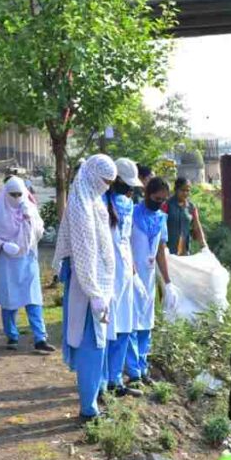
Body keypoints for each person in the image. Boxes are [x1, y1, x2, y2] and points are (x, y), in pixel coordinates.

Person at [54, 155, 118, 423]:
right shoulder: (81, 205)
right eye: (105, 181)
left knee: (98, 341)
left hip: (98, 284)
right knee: (91, 343)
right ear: (93, 176)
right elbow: (84, 252)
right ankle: (88, 409)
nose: (107, 186)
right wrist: (94, 292)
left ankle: (96, 394)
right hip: (87, 286)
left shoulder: (93, 200)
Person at [0, 176, 55, 353]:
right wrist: (2, 245)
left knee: (33, 300)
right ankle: (12, 335)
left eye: (20, 194)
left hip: (28, 259)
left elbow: (40, 232)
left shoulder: (30, 207)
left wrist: (29, 218)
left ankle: (40, 338)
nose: (17, 197)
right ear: (6, 193)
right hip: (8, 262)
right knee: (9, 301)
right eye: (13, 194)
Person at [128, 176, 176, 386]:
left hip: (147, 278)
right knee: (130, 322)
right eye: (157, 199)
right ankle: (132, 371)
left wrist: (167, 282)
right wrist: (131, 272)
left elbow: (160, 252)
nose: (159, 203)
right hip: (130, 277)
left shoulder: (161, 219)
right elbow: (123, 247)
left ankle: (142, 366)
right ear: (147, 194)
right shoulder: (131, 214)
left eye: (163, 200)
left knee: (146, 324)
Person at [103, 159, 143, 397]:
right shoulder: (101, 206)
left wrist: (134, 273)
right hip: (108, 274)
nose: (130, 190)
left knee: (124, 328)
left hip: (125, 273)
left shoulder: (126, 204)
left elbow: (125, 243)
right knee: (110, 329)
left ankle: (115, 379)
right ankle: (104, 380)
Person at [163, 176, 206, 255]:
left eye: (188, 190)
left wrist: (203, 245)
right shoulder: (167, 205)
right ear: (176, 189)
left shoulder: (191, 207)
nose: (185, 193)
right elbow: (160, 226)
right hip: (168, 251)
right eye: (182, 190)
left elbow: (197, 226)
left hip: (184, 251)